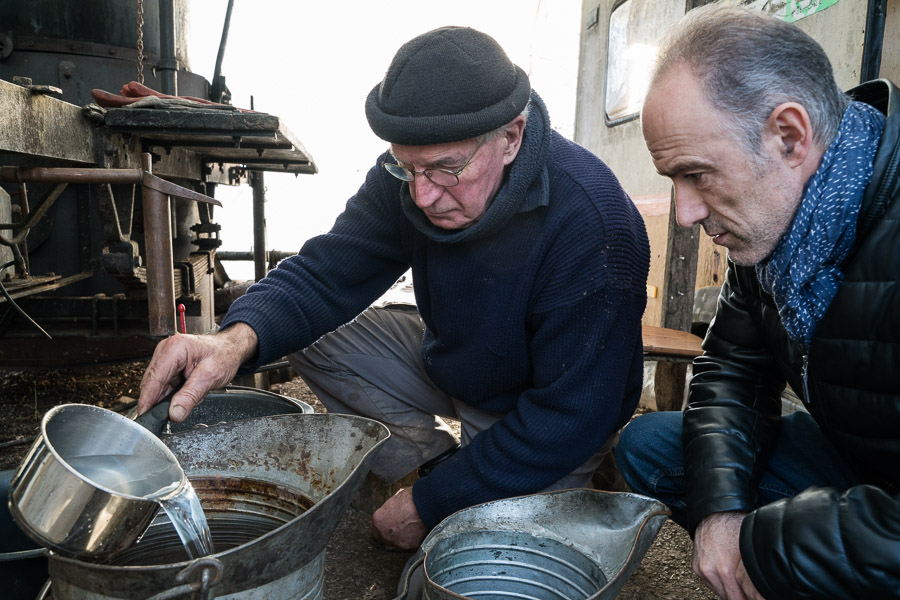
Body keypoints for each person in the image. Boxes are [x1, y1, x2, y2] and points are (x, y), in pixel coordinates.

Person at [139, 26, 650, 553]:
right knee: (298, 332)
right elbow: (327, 270)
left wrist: (431, 504)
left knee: (459, 573)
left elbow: (569, 416)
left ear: (512, 137)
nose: (424, 195)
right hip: (458, 362)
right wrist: (233, 342)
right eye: (407, 167)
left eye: (446, 169)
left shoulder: (593, 223)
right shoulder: (410, 175)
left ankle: (525, 479)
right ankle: (428, 460)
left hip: (547, 417)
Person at [615, 4, 900, 600]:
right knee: (649, 448)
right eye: (672, 180)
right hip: (858, 462)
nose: (687, 214)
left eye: (697, 174)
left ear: (789, 135)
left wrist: (771, 543)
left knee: (779, 548)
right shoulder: (773, 228)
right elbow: (730, 369)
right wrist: (721, 513)